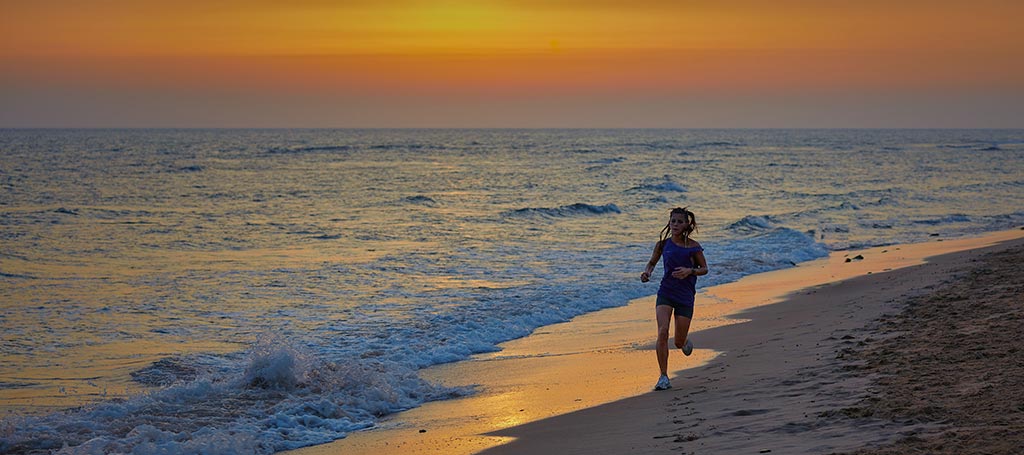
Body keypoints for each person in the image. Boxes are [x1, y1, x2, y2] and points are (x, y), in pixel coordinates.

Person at [640, 207, 708, 391]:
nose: (675, 224)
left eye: (679, 221)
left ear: (687, 224)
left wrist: (689, 271)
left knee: (678, 342)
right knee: (662, 332)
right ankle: (663, 377)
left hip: (685, 296)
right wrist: (647, 273)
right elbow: (652, 262)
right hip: (666, 293)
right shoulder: (662, 244)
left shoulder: (694, 247)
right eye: (673, 221)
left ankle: (684, 342)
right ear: (669, 223)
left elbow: (704, 268)